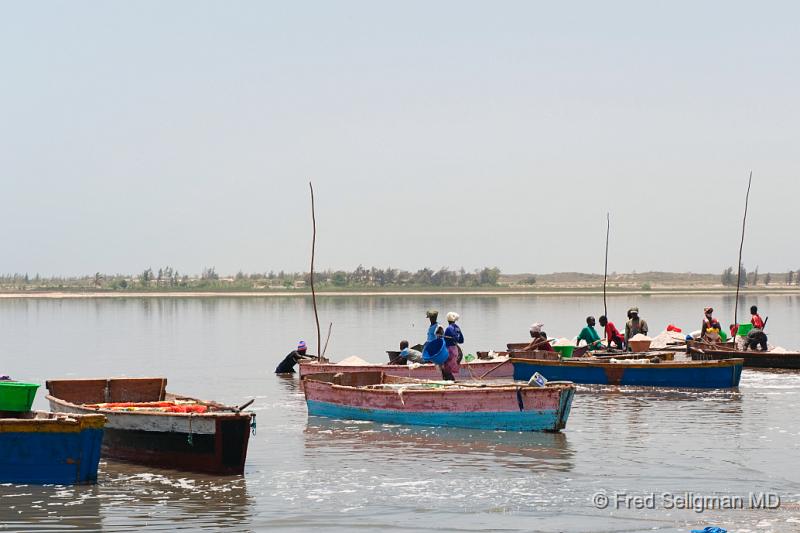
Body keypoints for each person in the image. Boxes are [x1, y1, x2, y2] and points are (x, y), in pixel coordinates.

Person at [443, 311, 464, 376]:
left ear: (447, 320)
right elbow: (461, 340)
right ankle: (451, 380)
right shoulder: (457, 328)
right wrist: (455, 340)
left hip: (449, 350)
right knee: (451, 367)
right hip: (455, 349)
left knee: (447, 368)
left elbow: (453, 338)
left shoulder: (448, 328)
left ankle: (449, 382)